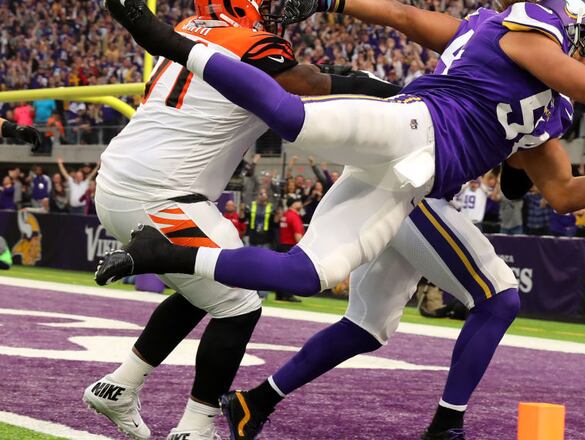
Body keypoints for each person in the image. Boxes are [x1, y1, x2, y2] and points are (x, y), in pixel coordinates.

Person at [98, 1, 585, 438]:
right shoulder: (522, 30)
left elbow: (564, 191)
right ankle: (165, 40)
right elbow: (414, 20)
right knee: (291, 116)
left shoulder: (547, 108)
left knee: (309, 274)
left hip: (409, 185)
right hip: (413, 127)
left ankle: (164, 255)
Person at [83, 0, 402, 439]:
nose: (275, 8)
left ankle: (119, 385)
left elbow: (280, 69)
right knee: (239, 303)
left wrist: (344, 73)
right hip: (162, 194)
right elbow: (303, 83)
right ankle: (195, 427)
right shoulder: (245, 40)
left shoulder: (193, 27)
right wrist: (376, 89)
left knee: (206, 287)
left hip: (125, 180)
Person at [275, 198, 304, 302]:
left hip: (282, 245)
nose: (301, 204)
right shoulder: (294, 216)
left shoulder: (285, 215)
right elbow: (297, 235)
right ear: (294, 204)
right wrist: (302, 249)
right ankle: (288, 295)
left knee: (281, 272)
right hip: (290, 246)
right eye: (299, 202)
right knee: (291, 273)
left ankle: (279, 295)